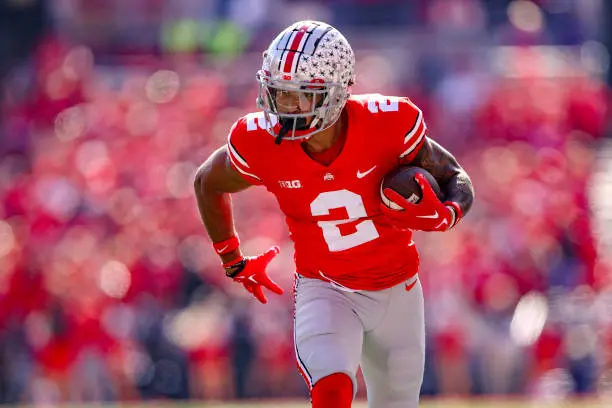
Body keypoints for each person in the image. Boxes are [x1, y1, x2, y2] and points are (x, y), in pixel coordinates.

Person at [194, 20, 475, 408]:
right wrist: (232, 259)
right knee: (332, 391)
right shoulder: (260, 140)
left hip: (397, 291)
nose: (284, 107)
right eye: (279, 93)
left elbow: (454, 176)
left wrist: (450, 213)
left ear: (337, 92)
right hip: (325, 288)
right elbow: (207, 182)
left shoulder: (387, 123)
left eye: (300, 96)